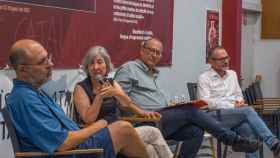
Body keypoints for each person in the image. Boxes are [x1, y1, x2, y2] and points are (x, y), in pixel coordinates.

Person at [114, 37, 261, 158]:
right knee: (191, 110)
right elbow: (119, 100)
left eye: (158, 53)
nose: (154, 55)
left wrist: (174, 105)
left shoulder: (156, 75)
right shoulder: (129, 69)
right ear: (142, 50)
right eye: (151, 50)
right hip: (144, 121)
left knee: (195, 130)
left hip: (163, 118)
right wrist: (140, 112)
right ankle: (233, 139)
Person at [6, 39, 150, 158]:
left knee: (145, 135)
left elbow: (126, 103)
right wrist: (101, 124)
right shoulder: (24, 99)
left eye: (48, 58)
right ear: (23, 69)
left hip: (78, 144)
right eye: (42, 61)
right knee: (123, 129)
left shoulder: (34, 92)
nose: (50, 64)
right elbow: (63, 143)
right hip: (74, 153)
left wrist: (116, 95)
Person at [73, 46, 173, 158]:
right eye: (91, 64)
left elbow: (127, 104)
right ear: (87, 67)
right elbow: (88, 119)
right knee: (153, 134)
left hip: (122, 130)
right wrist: (99, 97)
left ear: (106, 65)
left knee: (150, 147)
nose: (96, 67)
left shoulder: (111, 82)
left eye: (100, 62)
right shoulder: (80, 88)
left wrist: (118, 94)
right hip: (102, 134)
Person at [197, 46, 280, 158]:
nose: (225, 61)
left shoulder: (232, 74)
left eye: (226, 57)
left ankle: (271, 146)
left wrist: (239, 102)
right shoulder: (204, 78)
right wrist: (231, 105)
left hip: (234, 115)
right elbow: (205, 102)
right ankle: (273, 143)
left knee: (248, 129)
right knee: (248, 111)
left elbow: (238, 95)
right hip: (214, 117)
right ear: (211, 61)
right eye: (221, 59)